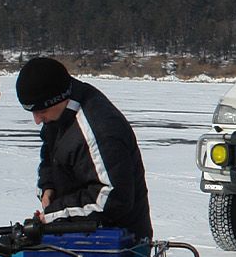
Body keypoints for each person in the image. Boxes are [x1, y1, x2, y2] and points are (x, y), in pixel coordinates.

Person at [15, 56, 152, 241]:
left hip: (116, 242)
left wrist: (54, 214)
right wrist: (48, 186)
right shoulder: (60, 112)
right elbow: (50, 154)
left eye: (41, 112)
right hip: (77, 233)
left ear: (59, 98)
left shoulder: (100, 129)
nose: (37, 120)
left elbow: (113, 198)